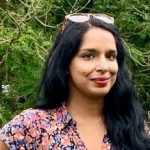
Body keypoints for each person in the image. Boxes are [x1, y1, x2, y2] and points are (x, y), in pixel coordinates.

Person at [0, 13, 150, 150]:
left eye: (111, 56)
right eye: (89, 56)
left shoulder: (134, 127)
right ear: (65, 63)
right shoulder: (31, 126)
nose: (104, 67)